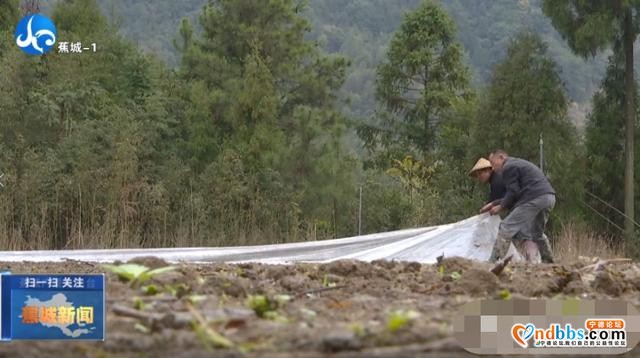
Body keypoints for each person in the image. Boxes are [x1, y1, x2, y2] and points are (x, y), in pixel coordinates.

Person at [487, 150, 556, 263]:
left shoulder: (508, 167)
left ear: (501, 157)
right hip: (549, 197)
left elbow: (513, 192)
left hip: (534, 198)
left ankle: (493, 261)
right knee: (536, 233)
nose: (493, 168)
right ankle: (549, 261)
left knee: (506, 226)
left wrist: (500, 207)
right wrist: (494, 203)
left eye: (493, 163)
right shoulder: (518, 164)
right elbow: (517, 193)